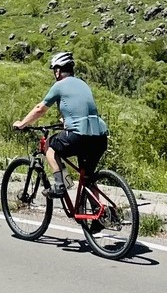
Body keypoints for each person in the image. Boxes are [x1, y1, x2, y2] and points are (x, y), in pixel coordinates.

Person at [14, 51, 108, 198]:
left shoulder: (59, 86)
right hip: (100, 136)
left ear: (57, 71)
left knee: (50, 148)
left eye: (54, 70)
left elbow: (40, 109)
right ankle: (100, 215)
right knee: (87, 178)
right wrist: (66, 121)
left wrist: (22, 123)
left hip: (78, 135)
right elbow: (81, 109)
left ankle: (60, 185)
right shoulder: (83, 84)